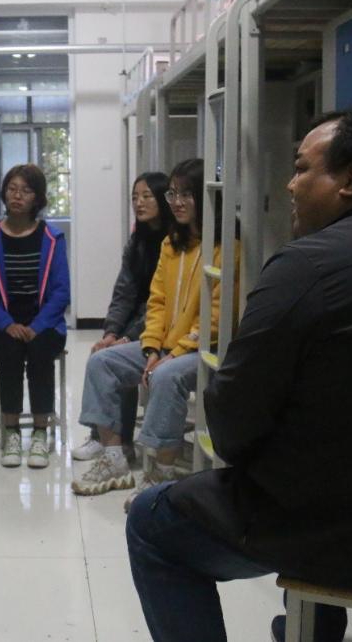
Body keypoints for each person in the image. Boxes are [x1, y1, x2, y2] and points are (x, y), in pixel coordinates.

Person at [126, 109, 352, 642]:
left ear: (351, 180)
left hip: (331, 529)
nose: (290, 184)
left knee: (151, 521)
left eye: (302, 168)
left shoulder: (307, 267)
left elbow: (232, 419)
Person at [72, 159, 228, 508]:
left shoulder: (225, 247)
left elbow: (215, 318)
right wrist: (151, 349)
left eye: (186, 194)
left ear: (206, 196)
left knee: (166, 377)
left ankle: (160, 474)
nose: (177, 202)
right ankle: (115, 459)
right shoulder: (171, 245)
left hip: (204, 349)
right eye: (173, 194)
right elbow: (155, 303)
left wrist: (172, 354)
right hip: (167, 347)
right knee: (102, 362)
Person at [71, 171, 172, 464]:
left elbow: (162, 303)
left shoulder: (174, 241)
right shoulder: (137, 241)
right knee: (103, 351)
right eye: (134, 197)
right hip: (139, 321)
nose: (138, 203)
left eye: (146, 196)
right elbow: (124, 292)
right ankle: (106, 437)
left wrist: (129, 337)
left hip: (163, 326)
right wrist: (111, 332)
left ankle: (117, 441)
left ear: (163, 199)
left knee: (112, 361)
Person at [0, 163, 70, 469]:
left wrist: (38, 325)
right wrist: (7, 324)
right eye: (12, 189)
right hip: (3, 324)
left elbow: (61, 292)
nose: (17, 196)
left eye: (26, 191)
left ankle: (41, 432)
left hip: (46, 323)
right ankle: (12, 431)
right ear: (4, 193)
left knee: (41, 353)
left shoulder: (52, 238)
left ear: (37, 198)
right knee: (9, 353)